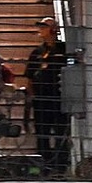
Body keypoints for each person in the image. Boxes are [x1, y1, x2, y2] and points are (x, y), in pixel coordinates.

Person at [25, 17, 68, 171]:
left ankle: (60, 165)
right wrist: (32, 96)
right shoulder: (37, 52)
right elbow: (29, 77)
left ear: (54, 30)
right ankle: (45, 164)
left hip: (59, 98)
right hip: (41, 99)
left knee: (60, 132)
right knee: (42, 133)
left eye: (45, 27)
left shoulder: (64, 49)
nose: (41, 30)